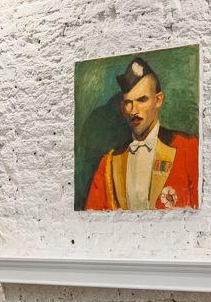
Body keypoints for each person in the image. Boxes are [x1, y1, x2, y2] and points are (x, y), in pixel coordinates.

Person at [83, 58, 199, 211]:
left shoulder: (189, 148)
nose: (133, 110)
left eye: (142, 100)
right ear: (122, 108)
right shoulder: (109, 163)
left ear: (158, 100)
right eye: (128, 103)